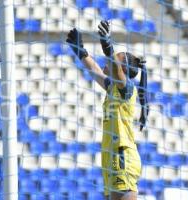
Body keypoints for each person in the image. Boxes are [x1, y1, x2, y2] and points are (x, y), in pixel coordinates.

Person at [66, 20, 149, 200]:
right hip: (111, 156)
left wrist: (108, 47)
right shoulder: (113, 87)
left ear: (123, 68)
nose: (108, 60)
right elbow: (95, 70)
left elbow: (117, 72)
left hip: (122, 156)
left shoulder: (126, 89)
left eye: (115, 59)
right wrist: (81, 51)